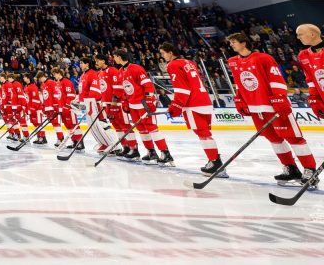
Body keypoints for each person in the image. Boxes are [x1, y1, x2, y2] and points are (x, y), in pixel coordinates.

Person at [226, 32, 316, 186]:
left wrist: (280, 98)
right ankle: (291, 168)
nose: (231, 45)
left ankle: (310, 170)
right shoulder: (233, 61)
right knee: (274, 139)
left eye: (233, 42)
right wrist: (239, 98)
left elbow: (276, 78)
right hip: (255, 108)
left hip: (272, 106)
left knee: (293, 138)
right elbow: (239, 82)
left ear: (244, 42)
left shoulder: (263, 58)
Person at [159, 43, 222, 175]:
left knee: (202, 134)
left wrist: (175, 105)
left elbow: (182, 88)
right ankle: (215, 161)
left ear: (170, 52)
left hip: (192, 103)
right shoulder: (189, 62)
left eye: (163, 53)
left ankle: (215, 163)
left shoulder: (173, 65)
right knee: (205, 133)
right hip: (204, 100)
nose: (163, 56)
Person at [113, 48, 172, 165]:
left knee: (151, 127)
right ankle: (151, 152)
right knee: (141, 129)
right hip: (133, 105)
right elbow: (125, 90)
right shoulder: (120, 71)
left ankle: (166, 153)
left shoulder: (136, 68)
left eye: (114, 56)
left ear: (119, 57)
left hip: (142, 103)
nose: (113, 59)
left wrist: (150, 100)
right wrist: (125, 102)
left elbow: (147, 85)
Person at [78, 56, 113, 153]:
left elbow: (95, 91)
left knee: (98, 124)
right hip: (86, 103)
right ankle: (103, 143)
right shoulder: (82, 76)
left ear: (87, 64)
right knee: (92, 126)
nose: (80, 65)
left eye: (82, 63)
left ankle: (110, 144)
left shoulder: (92, 73)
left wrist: (89, 100)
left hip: (93, 103)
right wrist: (78, 99)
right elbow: (82, 91)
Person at [296, 24, 324, 121]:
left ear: (312, 34)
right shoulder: (303, 55)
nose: (298, 37)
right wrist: (314, 97)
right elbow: (310, 78)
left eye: (300, 34)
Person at [53, 66, 83, 150]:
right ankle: (74, 141)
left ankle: (80, 142)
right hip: (62, 109)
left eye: (55, 74)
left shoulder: (67, 82)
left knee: (74, 125)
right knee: (68, 126)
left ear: (59, 73)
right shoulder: (58, 83)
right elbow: (59, 97)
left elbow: (70, 96)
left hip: (70, 109)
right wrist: (59, 107)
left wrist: (66, 106)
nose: (54, 76)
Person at [24, 74, 45, 145]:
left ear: (28, 78)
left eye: (24, 77)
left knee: (38, 123)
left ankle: (42, 137)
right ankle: (39, 136)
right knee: (35, 123)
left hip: (37, 109)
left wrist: (32, 108)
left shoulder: (33, 86)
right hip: (31, 109)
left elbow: (35, 99)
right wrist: (27, 109)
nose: (23, 78)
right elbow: (27, 99)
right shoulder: (26, 87)